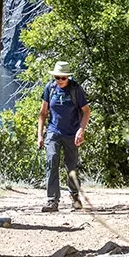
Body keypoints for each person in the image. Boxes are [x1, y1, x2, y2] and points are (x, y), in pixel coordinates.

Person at [37, 61, 90, 213]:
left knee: (71, 166)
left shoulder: (75, 89)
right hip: (53, 132)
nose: (59, 80)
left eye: (62, 78)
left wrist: (81, 130)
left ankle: (74, 197)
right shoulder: (50, 88)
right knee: (52, 160)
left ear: (68, 77)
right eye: (57, 77)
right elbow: (43, 113)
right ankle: (52, 200)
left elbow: (86, 111)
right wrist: (40, 135)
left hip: (71, 133)